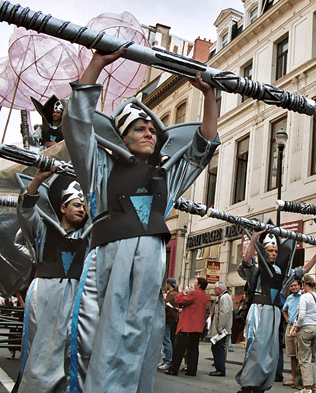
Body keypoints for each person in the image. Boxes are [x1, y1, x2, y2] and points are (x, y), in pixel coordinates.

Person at [62, 45, 219, 392]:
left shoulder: (167, 175)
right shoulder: (100, 167)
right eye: (139, 128)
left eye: (152, 128)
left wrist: (210, 96)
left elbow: (203, 146)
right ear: (122, 136)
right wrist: (97, 64)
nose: (149, 132)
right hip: (108, 256)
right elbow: (76, 123)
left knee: (140, 337)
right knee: (97, 332)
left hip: (150, 259)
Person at [15, 169, 89, 392]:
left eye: (84, 207)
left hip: (75, 296)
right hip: (45, 294)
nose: (82, 209)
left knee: (72, 348)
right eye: (77, 205)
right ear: (63, 208)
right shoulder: (43, 230)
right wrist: (38, 179)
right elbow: (26, 212)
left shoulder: (88, 236)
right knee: (40, 347)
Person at [236, 230, 316, 392]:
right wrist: (253, 239)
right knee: (255, 346)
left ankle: (261, 384)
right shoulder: (257, 269)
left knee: (270, 350)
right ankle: (248, 383)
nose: (274, 253)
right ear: (264, 252)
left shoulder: (282, 272)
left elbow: (304, 269)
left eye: (275, 251)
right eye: (270, 250)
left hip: (274, 312)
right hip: (259, 310)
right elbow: (246, 261)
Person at [289, 275, 316, 393]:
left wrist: (296, 328)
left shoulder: (304, 297)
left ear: (305, 285)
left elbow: (302, 315)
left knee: (304, 359)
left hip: (305, 329)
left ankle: (307, 387)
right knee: (312, 359)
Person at [166, 277, 209, 376]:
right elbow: (194, 307)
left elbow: (180, 300)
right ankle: (191, 369)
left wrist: (180, 292)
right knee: (193, 348)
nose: (194, 284)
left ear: (199, 285)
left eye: (195, 283)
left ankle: (174, 368)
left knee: (179, 348)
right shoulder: (203, 295)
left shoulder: (195, 293)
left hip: (188, 325)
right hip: (197, 325)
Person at [209, 281, 233, 377]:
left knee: (219, 348)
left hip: (221, 330)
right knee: (217, 348)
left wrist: (220, 327)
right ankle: (219, 367)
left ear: (219, 289)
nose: (214, 291)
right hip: (222, 329)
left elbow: (224, 312)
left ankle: (220, 369)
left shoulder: (224, 298)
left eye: (215, 289)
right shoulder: (224, 297)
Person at [282, 279, 302, 387]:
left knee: (300, 354)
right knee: (292, 354)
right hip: (290, 326)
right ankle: (294, 378)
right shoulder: (289, 298)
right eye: (291, 286)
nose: (293, 287)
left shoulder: (303, 296)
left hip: (299, 327)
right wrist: (286, 318)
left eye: (295, 285)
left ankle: (300, 379)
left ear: (299, 286)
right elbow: (284, 309)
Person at [158, 278, 179, 370]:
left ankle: (168, 360)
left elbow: (166, 305)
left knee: (166, 340)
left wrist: (164, 298)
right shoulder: (173, 293)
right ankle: (166, 359)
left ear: (169, 284)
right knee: (167, 339)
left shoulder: (172, 294)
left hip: (168, 318)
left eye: (167, 284)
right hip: (170, 318)